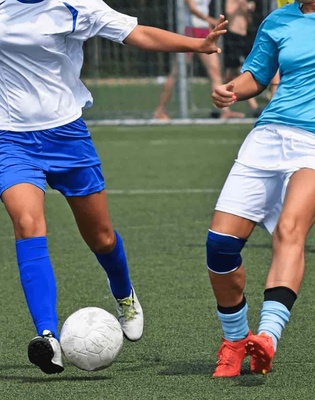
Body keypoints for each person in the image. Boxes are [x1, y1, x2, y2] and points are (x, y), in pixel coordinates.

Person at [0, 0, 227, 375]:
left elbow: (137, 33)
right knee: (27, 223)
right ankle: (48, 337)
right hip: (10, 140)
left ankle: (124, 294)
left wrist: (196, 44)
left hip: (66, 136)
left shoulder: (76, 4)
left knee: (101, 237)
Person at [207, 0, 315, 378]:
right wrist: (231, 90)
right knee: (219, 243)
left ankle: (266, 338)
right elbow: (258, 75)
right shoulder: (277, 21)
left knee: (290, 229)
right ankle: (235, 341)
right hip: (268, 136)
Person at [153, 0, 244, 120]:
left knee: (215, 71)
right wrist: (209, 20)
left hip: (204, 31)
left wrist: (210, 26)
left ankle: (224, 111)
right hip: (190, 31)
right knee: (176, 73)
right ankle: (160, 110)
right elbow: (192, 9)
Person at [223, 0, 262, 117]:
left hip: (244, 35)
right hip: (233, 35)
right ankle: (254, 106)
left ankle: (220, 100)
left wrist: (247, 9)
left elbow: (249, 17)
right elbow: (228, 13)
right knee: (241, 69)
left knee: (231, 73)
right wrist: (239, 5)